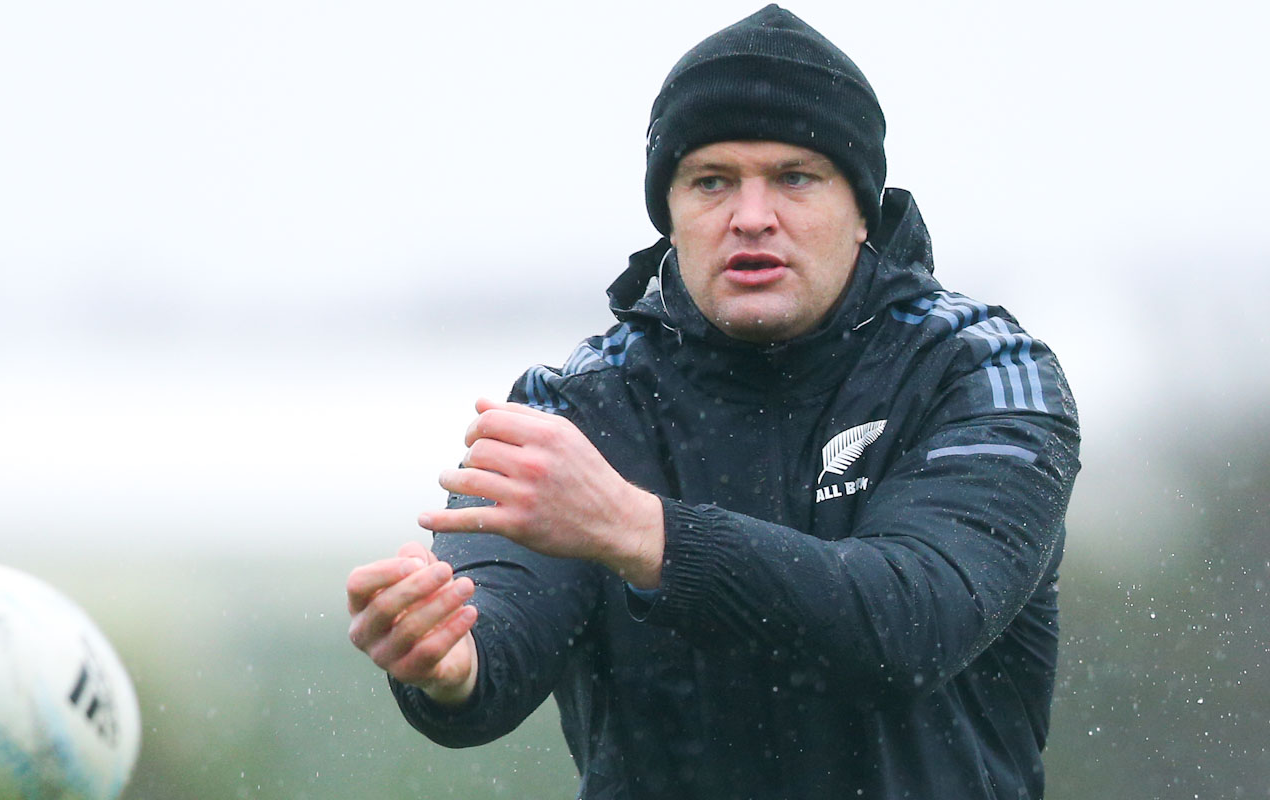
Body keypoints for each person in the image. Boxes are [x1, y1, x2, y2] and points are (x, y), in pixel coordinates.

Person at [345, 5, 1080, 798]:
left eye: (795, 177)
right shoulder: (578, 407)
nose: (751, 217)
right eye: (711, 181)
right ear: (671, 215)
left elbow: (916, 622)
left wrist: (640, 531)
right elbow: (493, 641)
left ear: (862, 209)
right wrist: (449, 660)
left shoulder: (981, 371)